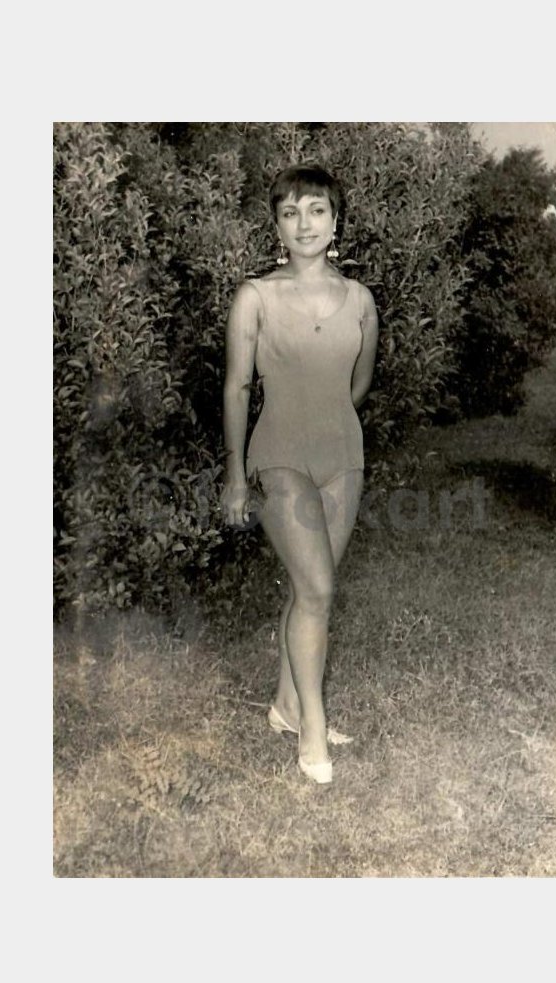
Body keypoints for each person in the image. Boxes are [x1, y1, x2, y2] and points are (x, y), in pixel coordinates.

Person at [220, 165, 379, 784]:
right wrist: (236, 475)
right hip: (279, 455)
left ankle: (286, 707)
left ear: (336, 221)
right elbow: (237, 387)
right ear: (277, 226)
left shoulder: (360, 301)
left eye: (316, 210)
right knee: (316, 590)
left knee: (306, 589)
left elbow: (358, 384)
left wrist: (330, 421)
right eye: (290, 213)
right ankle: (313, 726)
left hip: (343, 458)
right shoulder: (255, 297)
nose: (304, 224)